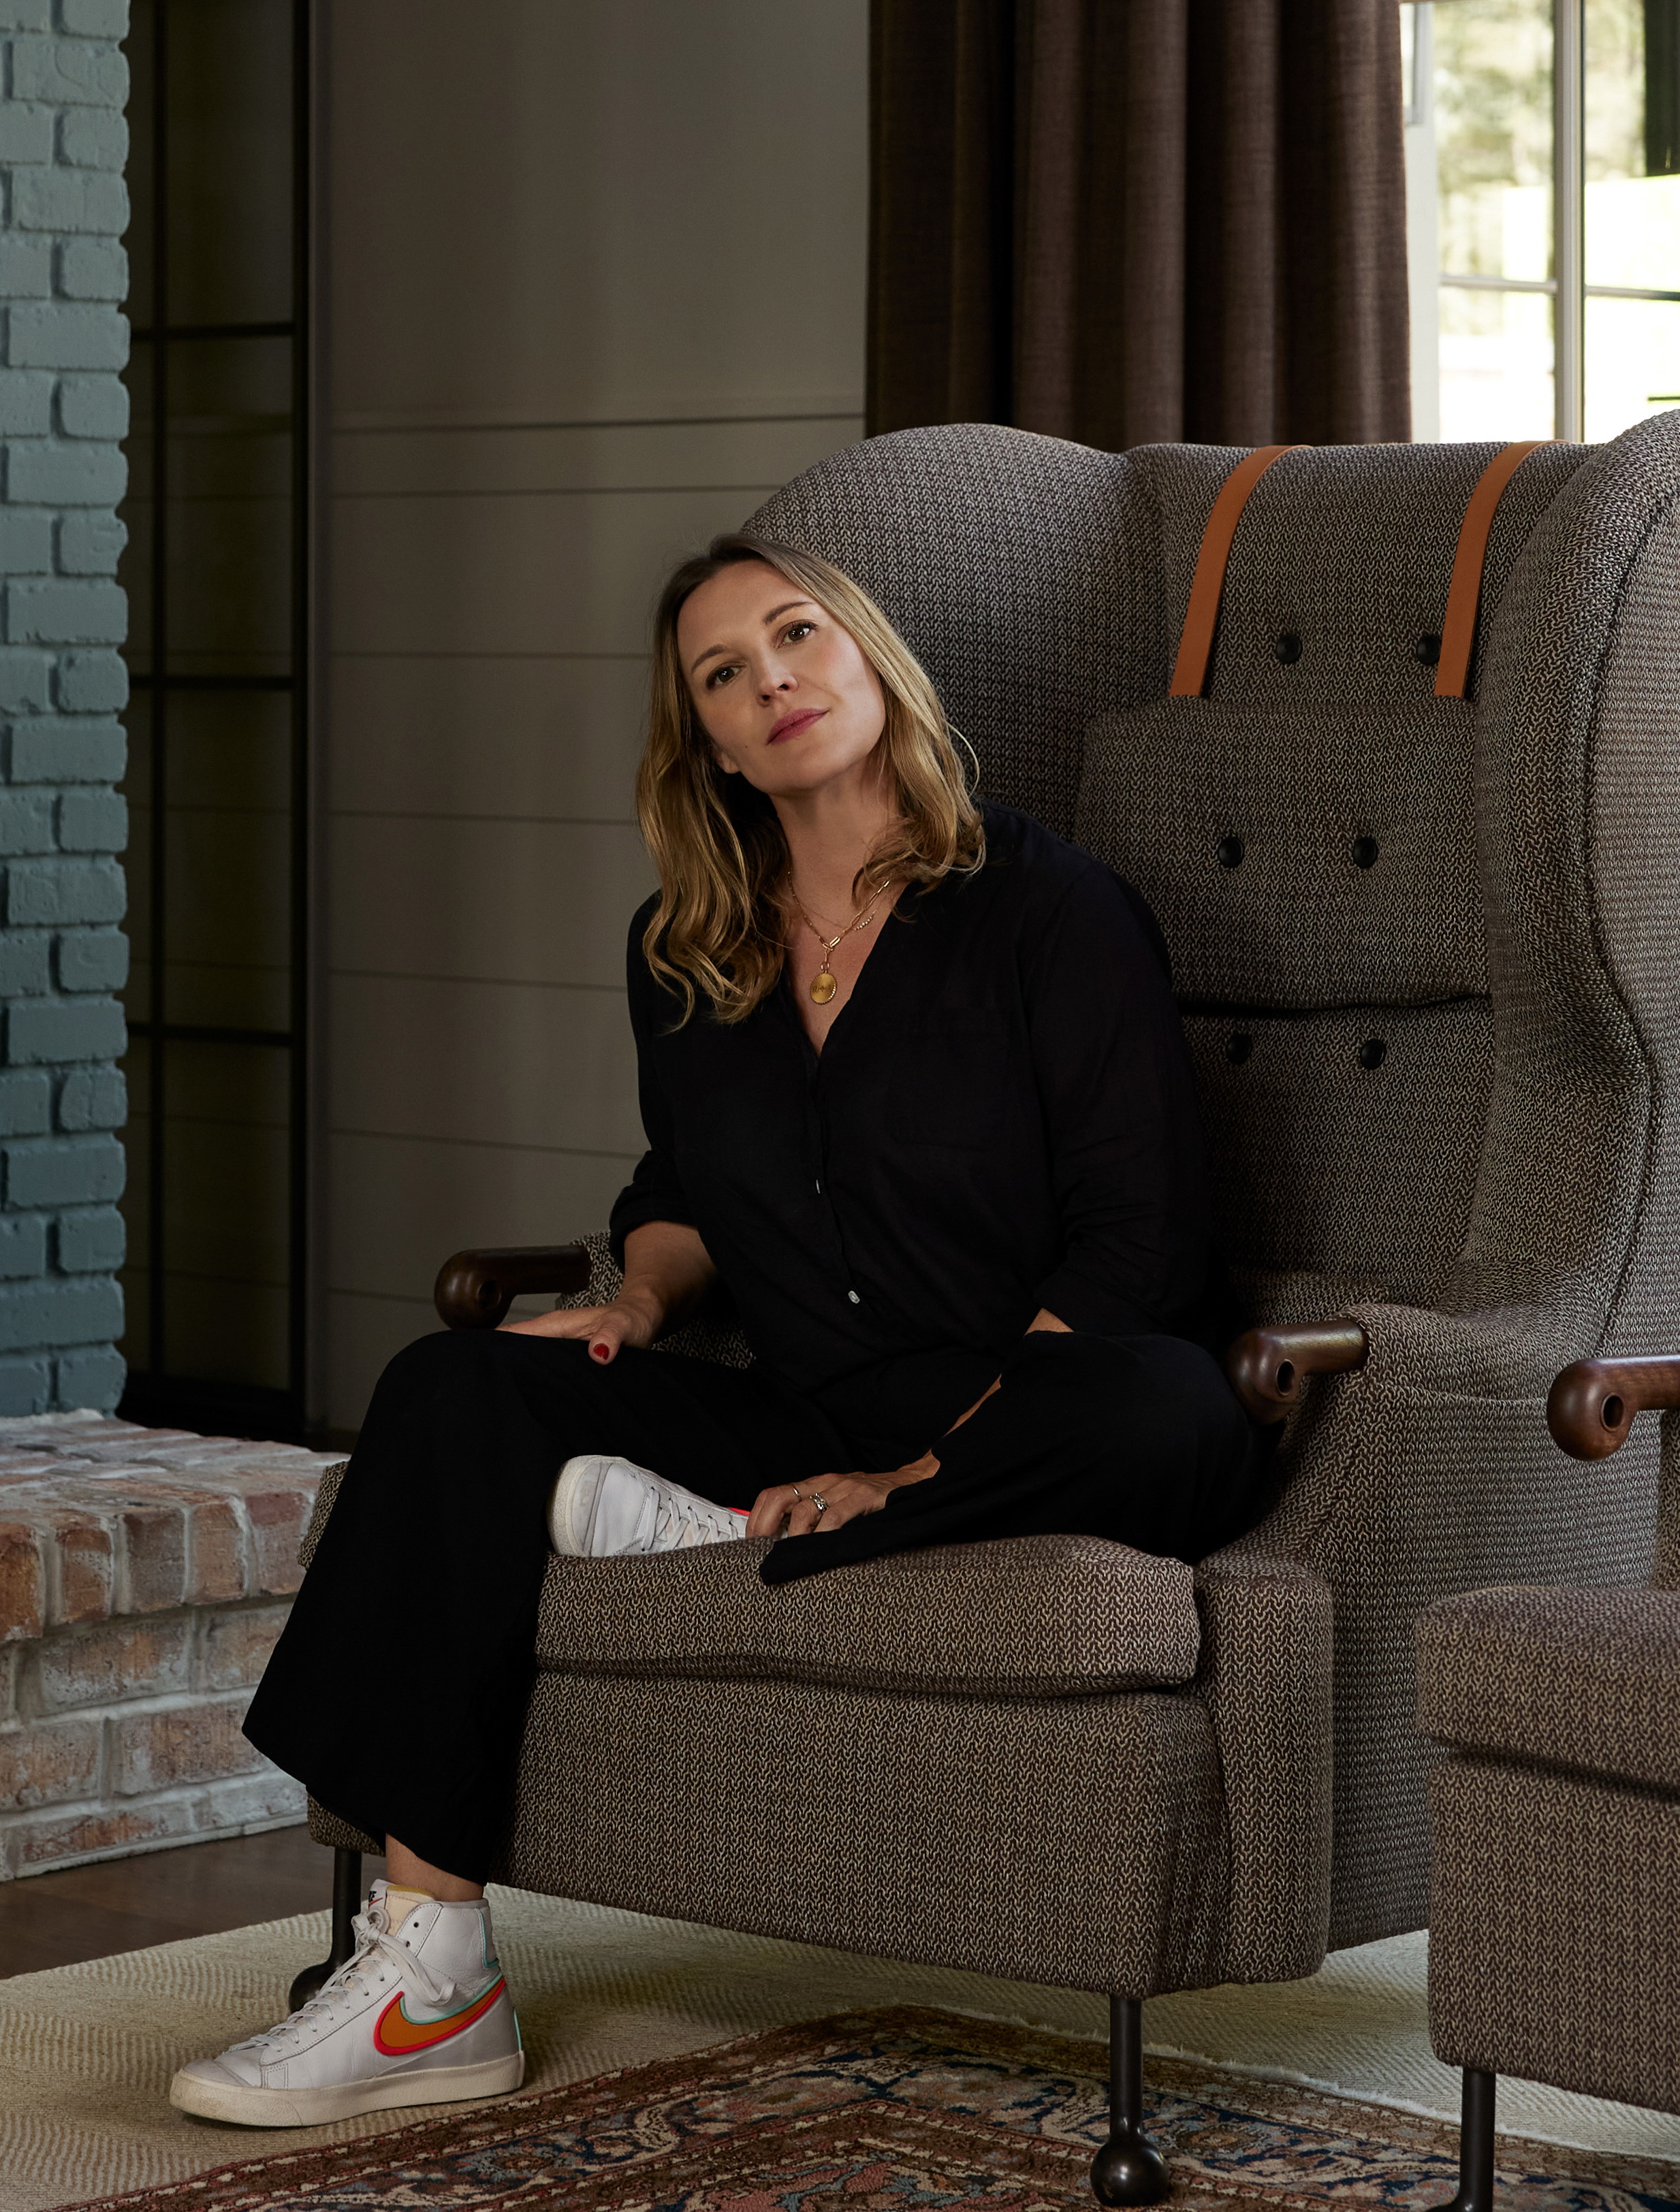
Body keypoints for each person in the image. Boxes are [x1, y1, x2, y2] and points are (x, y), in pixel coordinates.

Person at [168, 533, 1265, 2130]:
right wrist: (634, 1297)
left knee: (1170, 1407)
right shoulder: (683, 946)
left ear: (868, 657)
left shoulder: (1048, 907)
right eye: (724, 673)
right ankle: (432, 1971)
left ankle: (749, 1531)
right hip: (807, 1408)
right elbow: (683, 1186)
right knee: (451, 1391)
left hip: (1034, 1399)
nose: (774, 680)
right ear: (710, 740)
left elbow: (1140, 1240)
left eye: (797, 635)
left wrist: (916, 1472)